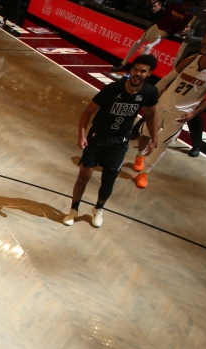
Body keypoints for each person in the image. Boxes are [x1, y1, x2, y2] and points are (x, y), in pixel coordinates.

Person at [63, 55, 160, 228]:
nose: (138, 73)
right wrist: (81, 135)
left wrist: (154, 138)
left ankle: (98, 209)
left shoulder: (149, 92)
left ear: (149, 73)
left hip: (119, 142)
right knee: (84, 175)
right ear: (130, 70)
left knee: (109, 180)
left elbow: (151, 115)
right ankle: (73, 209)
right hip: (97, 137)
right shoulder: (113, 89)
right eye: (135, 69)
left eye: (143, 71)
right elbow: (87, 112)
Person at [133, 33, 206, 187]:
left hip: (180, 113)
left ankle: (145, 173)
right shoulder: (192, 59)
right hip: (163, 103)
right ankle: (139, 155)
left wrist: (193, 113)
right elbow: (169, 76)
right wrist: (153, 93)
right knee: (145, 133)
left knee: (163, 143)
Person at [111, 2, 195, 72]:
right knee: (137, 42)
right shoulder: (174, 6)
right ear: (185, 2)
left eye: (191, 6)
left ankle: (140, 69)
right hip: (156, 26)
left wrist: (175, 32)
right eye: (188, 5)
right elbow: (162, 15)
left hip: (164, 32)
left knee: (148, 46)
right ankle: (123, 64)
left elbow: (183, 27)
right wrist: (152, 24)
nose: (189, 7)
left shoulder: (189, 15)